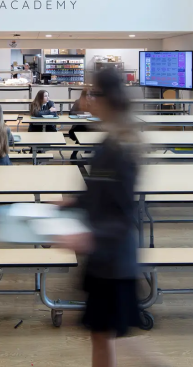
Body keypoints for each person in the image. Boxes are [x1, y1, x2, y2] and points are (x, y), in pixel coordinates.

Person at [57, 68, 141, 367]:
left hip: (114, 262)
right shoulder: (110, 143)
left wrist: (88, 237)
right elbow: (99, 191)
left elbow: (124, 215)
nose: (87, 100)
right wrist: (68, 204)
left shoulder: (121, 149)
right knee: (101, 335)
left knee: (104, 334)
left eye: (93, 93)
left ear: (108, 99)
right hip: (106, 260)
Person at [67, 89, 93, 162]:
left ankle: (86, 154)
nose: (89, 96)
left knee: (92, 133)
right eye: (87, 95)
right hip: (79, 126)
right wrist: (84, 113)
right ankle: (75, 154)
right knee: (84, 133)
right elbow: (71, 112)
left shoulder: (93, 102)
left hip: (90, 126)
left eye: (90, 95)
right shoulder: (78, 102)